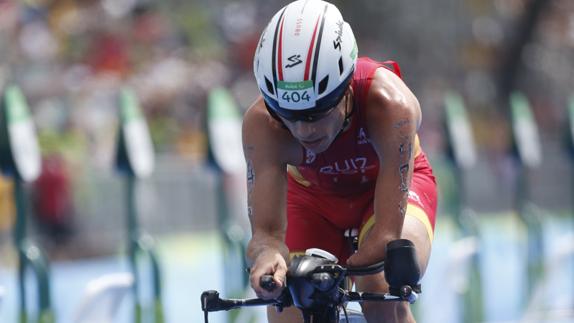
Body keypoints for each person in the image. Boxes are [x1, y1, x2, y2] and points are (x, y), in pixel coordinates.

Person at [243, 0, 437, 322]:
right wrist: (268, 260)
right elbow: (265, 235)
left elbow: (387, 235)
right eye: (288, 116)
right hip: (313, 199)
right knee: (287, 309)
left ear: (345, 89)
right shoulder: (262, 123)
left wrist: (337, 275)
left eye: (317, 113)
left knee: (380, 290)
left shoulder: (390, 104)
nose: (304, 130)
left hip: (385, 191)